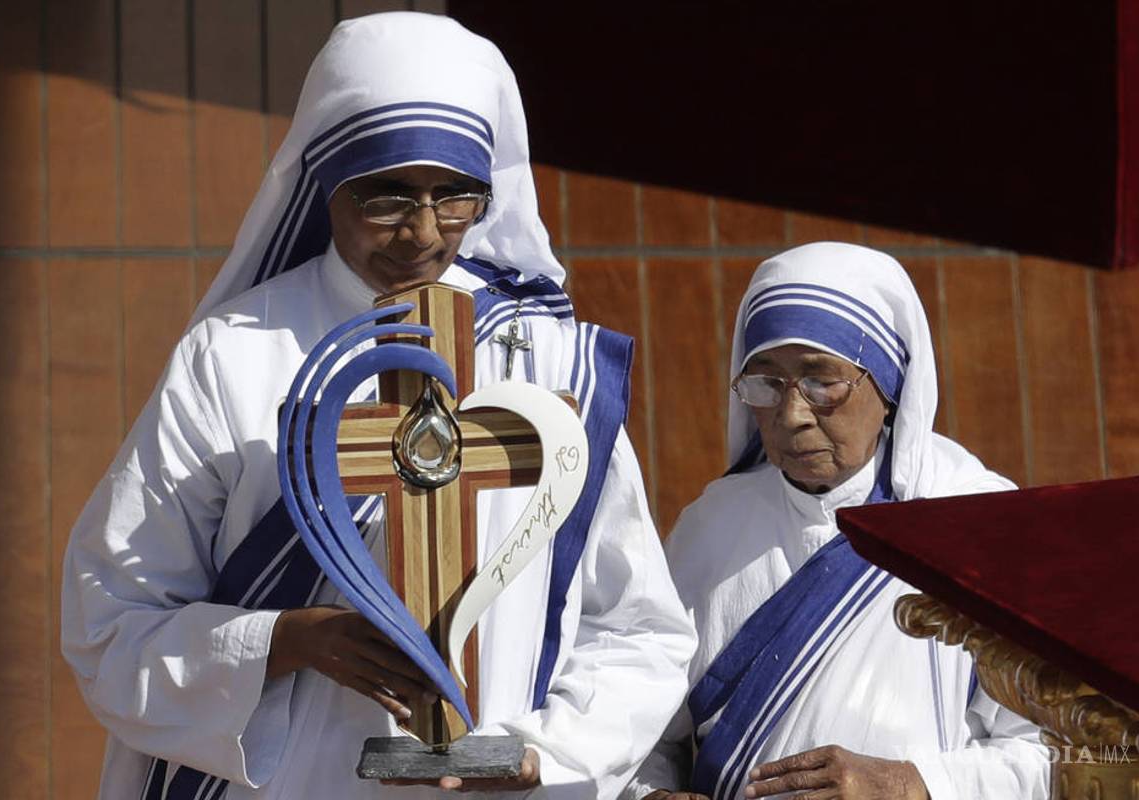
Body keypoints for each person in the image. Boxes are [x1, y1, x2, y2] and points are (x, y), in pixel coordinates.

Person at [61, 13, 695, 800]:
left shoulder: (550, 365)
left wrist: (545, 753)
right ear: (328, 181)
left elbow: (639, 630)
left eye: (455, 196)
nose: (422, 232)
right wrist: (282, 639)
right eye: (388, 195)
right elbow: (111, 617)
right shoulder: (235, 354)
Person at [625, 242, 1050, 800]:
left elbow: (1052, 753)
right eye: (766, 383)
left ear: (889, 384)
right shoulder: (710, 529)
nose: (792, 415)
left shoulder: (974, 520)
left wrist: (908, 784)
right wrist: (649, 793)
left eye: (822, 382)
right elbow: (640, 734)